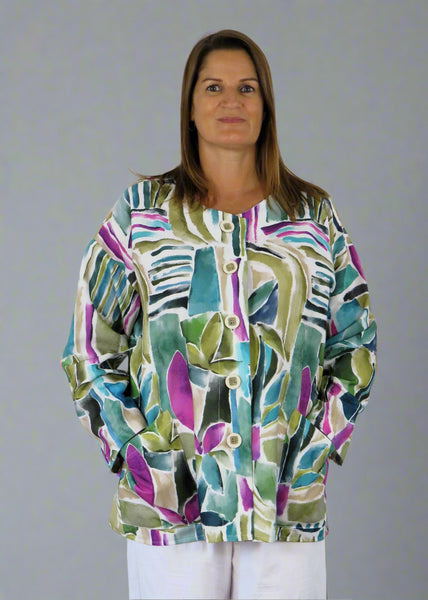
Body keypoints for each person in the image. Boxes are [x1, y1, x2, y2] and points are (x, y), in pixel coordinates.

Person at [61, 29, 377, 600]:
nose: (231, 101)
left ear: (266, 105)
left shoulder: (313, 217)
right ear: (189, 106)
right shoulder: (142, 215)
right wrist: (142, 457)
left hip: (283, 503)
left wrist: (315, 451)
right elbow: (90, 348)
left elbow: (354, 343)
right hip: (172, 510)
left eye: (247, 88)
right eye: (213, 87)